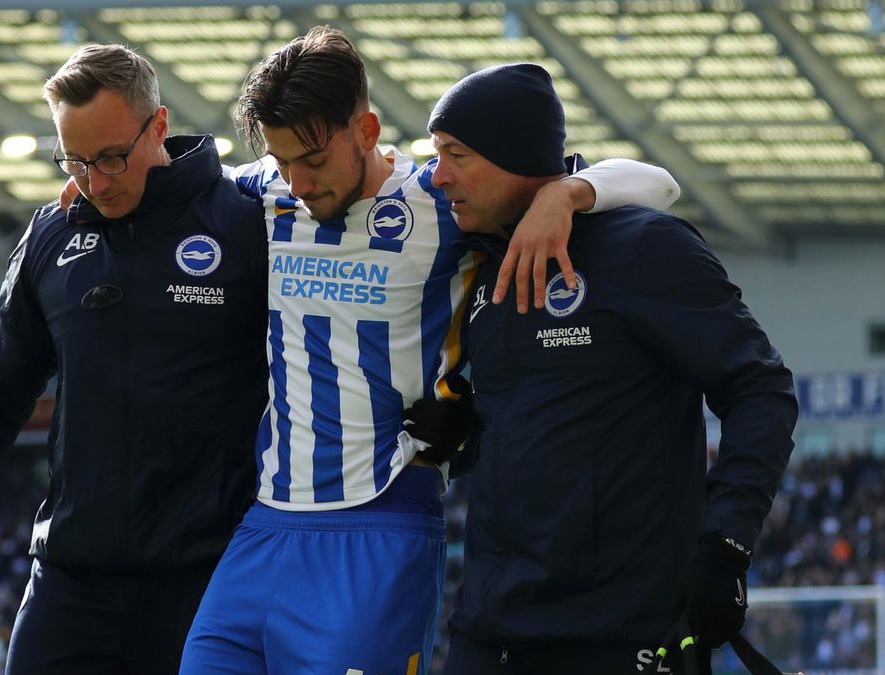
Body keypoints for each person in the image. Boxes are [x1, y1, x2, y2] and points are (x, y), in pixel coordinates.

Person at [178, 28, 683, 675]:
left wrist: (567, 192)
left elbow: (657, 183)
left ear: (365, 130)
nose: (298, 182)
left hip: (379, 525)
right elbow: (184, 180)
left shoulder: (440, 203)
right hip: (263, 528)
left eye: (312, 160)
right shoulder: (272, 191)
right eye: (282, 162)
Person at [0, 44, 272, 674]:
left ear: (159, 126)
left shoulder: (247, 225)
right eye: (76, 160)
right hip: (68, 582)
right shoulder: (51, 237)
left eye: (111, 156)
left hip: (206, 580)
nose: (96, 181)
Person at [422, 63, 799, 673]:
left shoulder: (645, 248)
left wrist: (726, 546)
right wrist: (463, 436)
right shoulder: (479, 266)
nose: (438, 176)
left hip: (622, 637)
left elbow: (762, 388)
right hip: (489, 635)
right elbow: (547, 425)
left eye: (455, 155)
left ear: (514, 154)